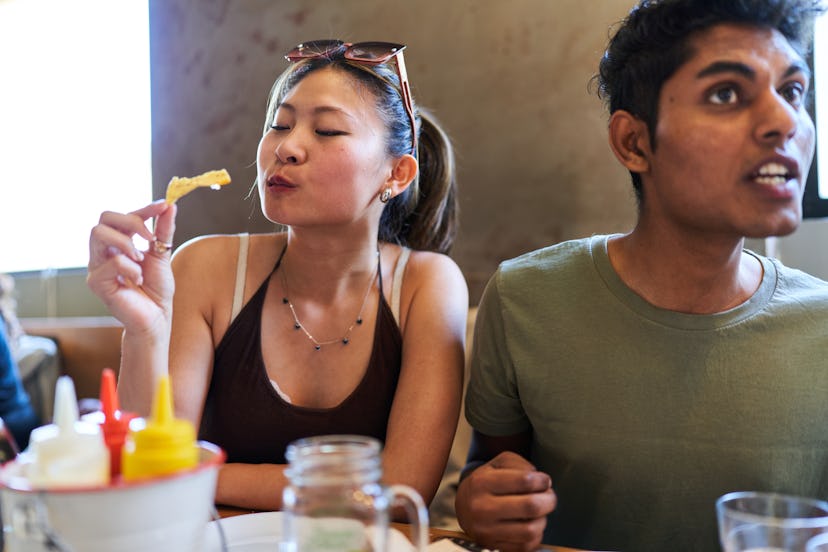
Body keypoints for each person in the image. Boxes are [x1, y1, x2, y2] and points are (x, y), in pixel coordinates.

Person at [455, 1, 828, 550]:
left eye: (793, 92)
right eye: (727, 93)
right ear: (634, 142)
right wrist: (479, 500)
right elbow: (490, 469)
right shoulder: (524, 298)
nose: (784, 122)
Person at [87, 40, 468, 510]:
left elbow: (397, 493)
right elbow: (149, 476)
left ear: (397, 173)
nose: (286, 148)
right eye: (279, 125)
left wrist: (200, 475)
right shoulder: (204, 267)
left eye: (327, 130)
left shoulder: (426, 285)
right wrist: (145, 329)